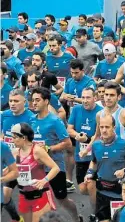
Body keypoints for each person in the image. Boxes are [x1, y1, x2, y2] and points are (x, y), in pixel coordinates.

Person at [30, 87, 79, 221]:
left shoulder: (55, 121)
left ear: (46, 101)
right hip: (37, 168)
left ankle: (76, 218)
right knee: (39, 200)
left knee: (62, 200)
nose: (34, 103)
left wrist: (48, 149)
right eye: (33, 100)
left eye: (37, 100)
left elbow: (68, 143)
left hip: (55, 167)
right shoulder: (32, 120)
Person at [85, 114, 125, 222]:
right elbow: (94, 161)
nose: (104, 130)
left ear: (114, 128)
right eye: (101, 127)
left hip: (119, 193)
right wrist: (89, 172)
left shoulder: (124, 145)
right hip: (102, 191)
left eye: (107, 127)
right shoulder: (96, 145)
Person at [10, 122, 61, 222]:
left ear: (23, 138)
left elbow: (55, 168)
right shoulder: (16, 152)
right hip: (24, 195)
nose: (12, 140)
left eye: (15, 137)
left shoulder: (37, 151)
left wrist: (43, 180)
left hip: (40, 195)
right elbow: (13, 170)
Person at [68, 87, 103, 209]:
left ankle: (96, 212)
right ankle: (101, 195)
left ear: (95, 98)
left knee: (90, 184)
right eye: (82, 97)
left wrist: (87, 139)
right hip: (81, 155)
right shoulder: (76, 109)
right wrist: (77, 135)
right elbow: (69, 129)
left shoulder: (101, 112)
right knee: (82, 188)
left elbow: (101, 135)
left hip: (96, 156)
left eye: (88, 97)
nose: (84, 100)